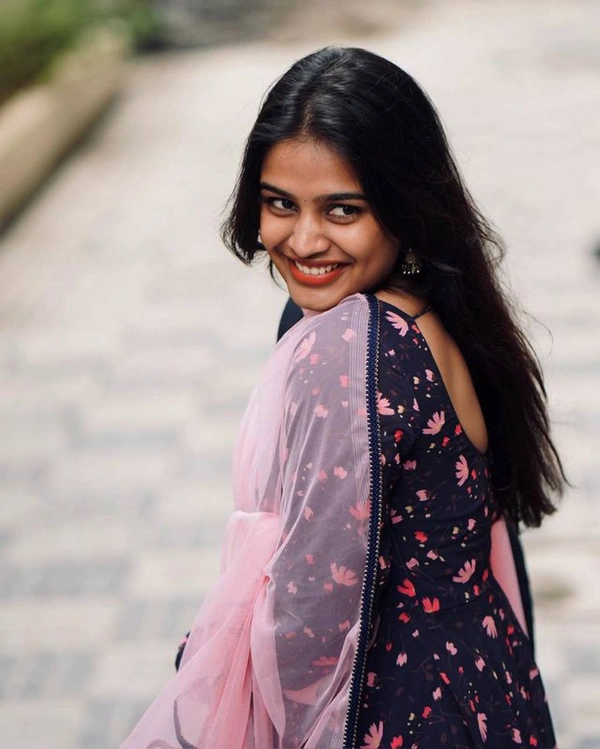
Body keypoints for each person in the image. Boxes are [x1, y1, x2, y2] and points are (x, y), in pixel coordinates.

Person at [122, 46, 566, 749]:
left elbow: (311, 614)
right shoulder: (438, 306)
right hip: (486, 687)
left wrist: (210, 673)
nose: (303, 240)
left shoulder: (351, 345)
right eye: (279, 203)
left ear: (405, 207)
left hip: (398, 713)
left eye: (343, 209)